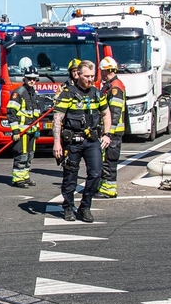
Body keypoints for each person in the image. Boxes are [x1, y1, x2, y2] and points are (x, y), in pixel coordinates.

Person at [52, 60, 111, 223]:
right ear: (78, 74)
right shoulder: (67, 94)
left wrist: (107, 134)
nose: (90, 79)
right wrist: (57, 143)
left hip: (92, 141)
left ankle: (85, 206)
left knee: (96, 173)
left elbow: (106, 114)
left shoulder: (97, 94)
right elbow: (57, 119)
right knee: (70, 175)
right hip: (73, 142)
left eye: (92, 76)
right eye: (87, 76)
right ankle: (68, 207)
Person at [7, 67, 44, 188]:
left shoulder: (34, 94)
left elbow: (36, 114)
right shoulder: (19, 93)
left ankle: (25, 176)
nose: (32, 81)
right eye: (29, 78)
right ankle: (18, 179)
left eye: (34, 79)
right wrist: (15, 131)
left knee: (29, 155)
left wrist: (37, 129)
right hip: (22, 131)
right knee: (21, 155)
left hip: (32, 131)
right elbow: (11, 112)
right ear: (25, 78)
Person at [97, 57, 126, 199]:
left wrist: (108, 134)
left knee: (109, 161)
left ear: (106, 71)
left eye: (101, 71)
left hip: (113, 133)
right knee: (104, 161)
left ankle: (109, 189)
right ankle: (104, 186)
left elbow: (115, 112)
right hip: (110, 132)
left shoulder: (115, 88)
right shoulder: (111, 85)